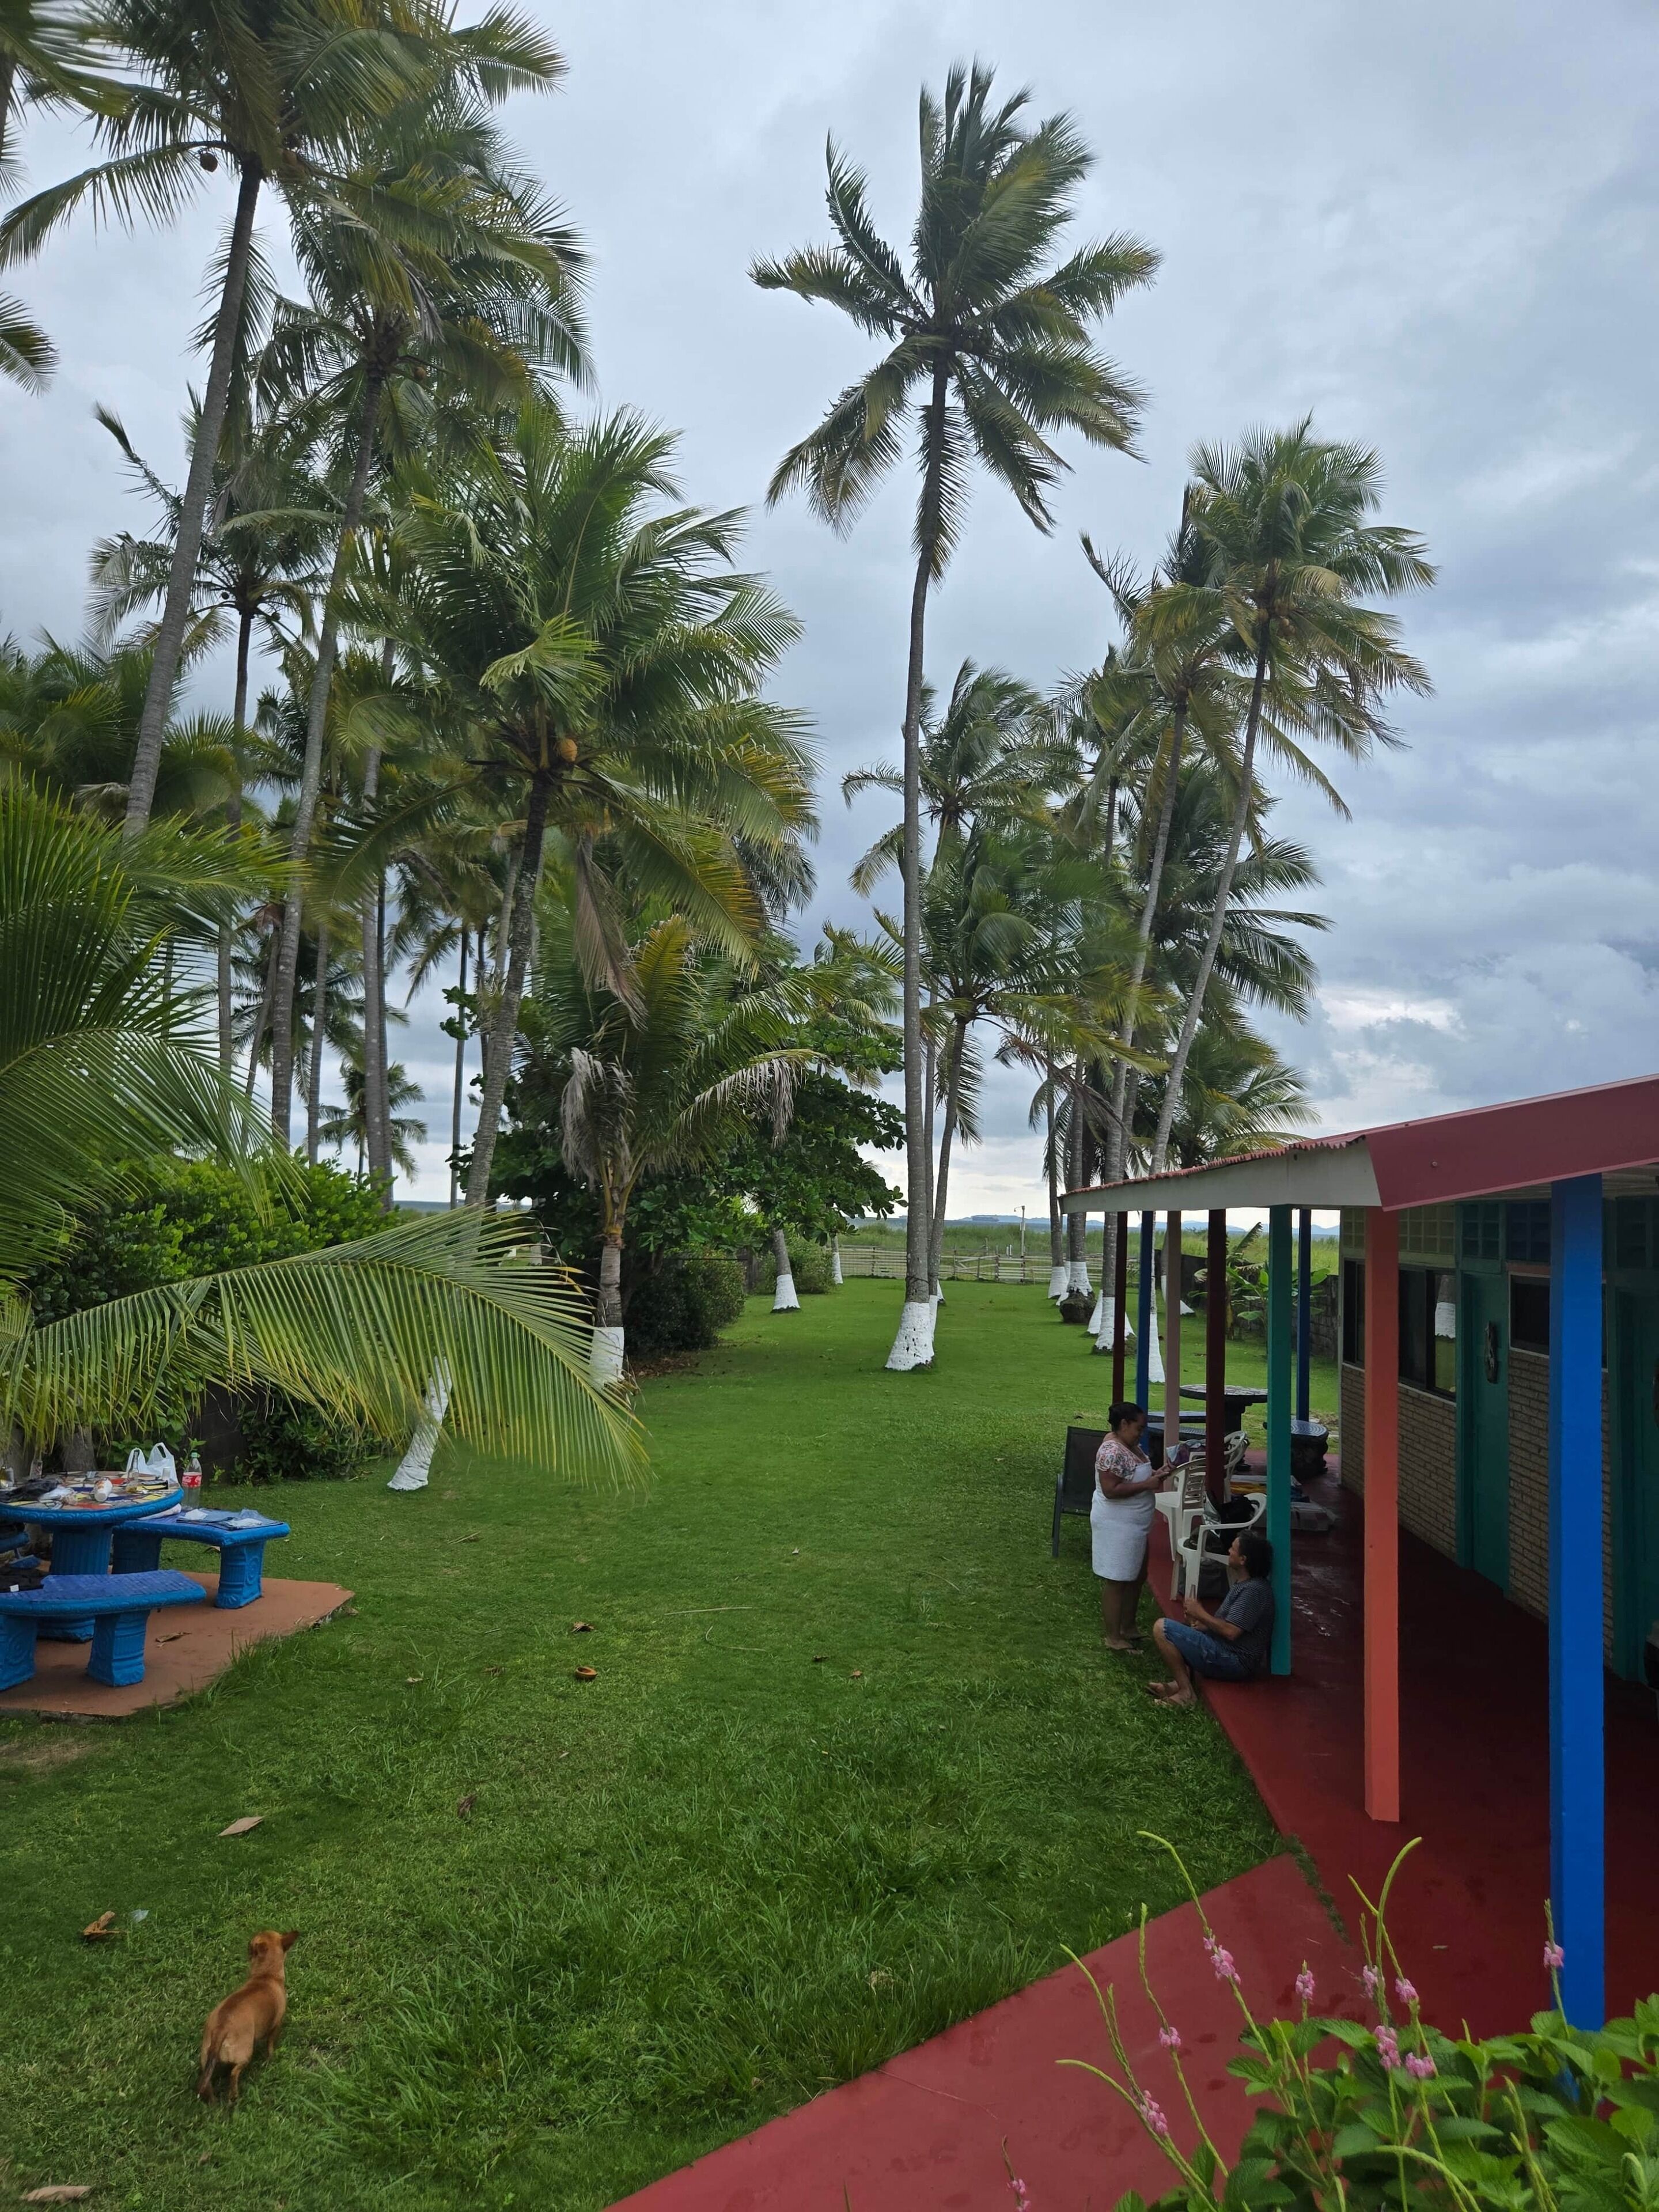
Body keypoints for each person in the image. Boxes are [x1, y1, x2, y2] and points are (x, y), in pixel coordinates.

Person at [1149, 1531, 1276, 1706]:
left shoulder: (1254, 1591)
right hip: (1224, 1650)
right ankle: (1176, 1685)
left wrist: (1200, 1612)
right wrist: (1202, 1624)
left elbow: (1231, 1632)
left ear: (1243, 1560)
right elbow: (1225, 1626)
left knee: (1161, 1628)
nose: (1229, 1551)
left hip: (1234, 1661)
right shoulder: (1245, 1584)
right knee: (1183, 1631)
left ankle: (1187, 1693)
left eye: (1233, 1549)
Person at [1091, 1401, 1172, 1652]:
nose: (1142, 1433)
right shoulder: (1112, 1451)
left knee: (1137, 1576)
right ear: (1124, 1424)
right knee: (1117, 1579)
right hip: (1117, 1525)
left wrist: (1158, 1474)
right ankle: (1113, 1636)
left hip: (1136, 1525)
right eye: (1139, 1428)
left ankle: (1128, 1626)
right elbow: (1111, 1490)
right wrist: (1148, 1485)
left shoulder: (1130, 1445)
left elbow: (1134, 1474)